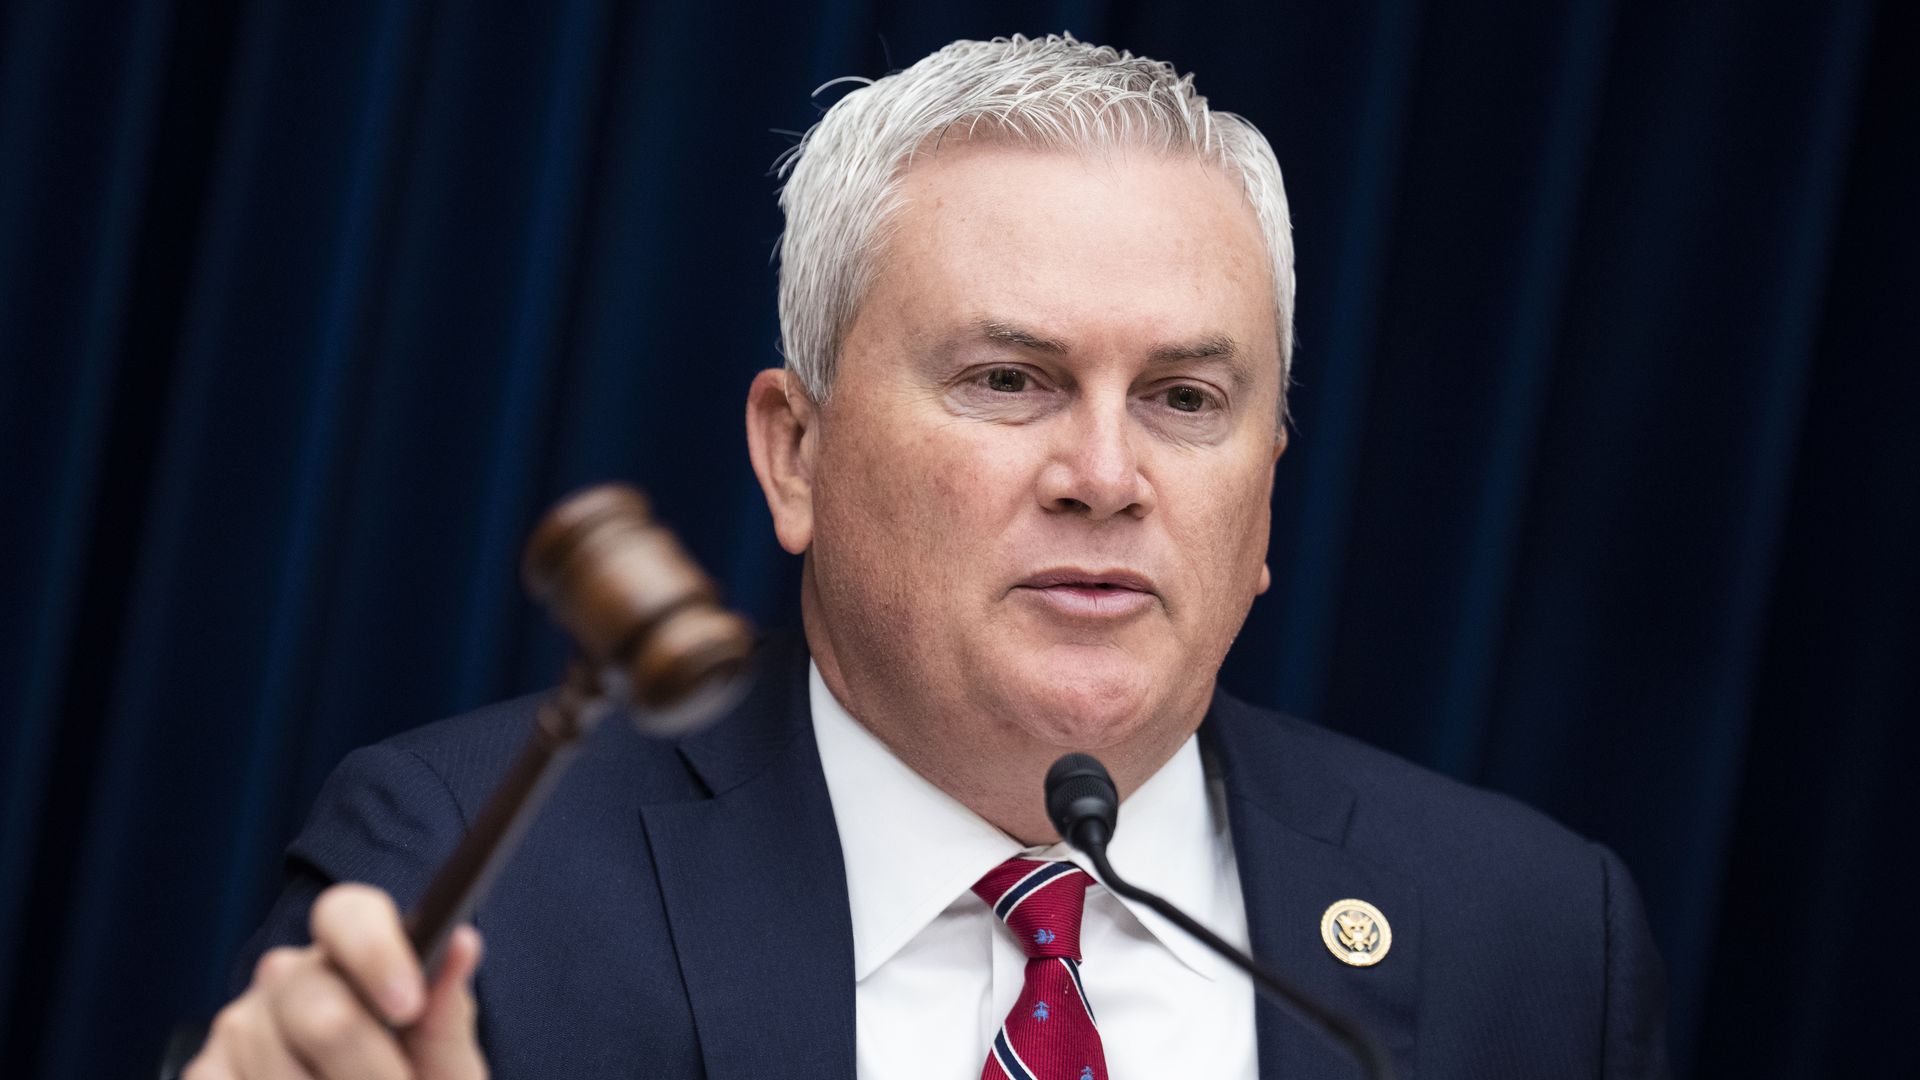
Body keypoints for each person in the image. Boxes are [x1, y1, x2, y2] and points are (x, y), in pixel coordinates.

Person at [187, 34, 1668, 1080]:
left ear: (1268, 493)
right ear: (796, 453)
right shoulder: (482, 884)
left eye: (1185, 401)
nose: (1105, 476)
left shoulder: (1530, 940)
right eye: (1008, 380)